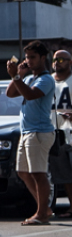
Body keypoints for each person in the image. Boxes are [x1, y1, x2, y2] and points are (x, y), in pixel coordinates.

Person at [5, 40, 57, 225]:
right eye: (27, 57)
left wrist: (17, 78)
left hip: (39, 132)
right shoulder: (27, 78)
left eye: (33, 57)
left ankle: (42, 213)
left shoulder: (46, 79)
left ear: (43, 58)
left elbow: (30, 95)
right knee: (23, 171)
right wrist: (18, 74)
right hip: (27, 131)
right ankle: (45, 208)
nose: (29, 61)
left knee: (38, 173)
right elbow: (10, 93)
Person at [50, 49, 72, 217]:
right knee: (64, 174)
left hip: (71, 131)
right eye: (56, 59)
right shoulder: (47, 81)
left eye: (62, 59)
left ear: (70, 62)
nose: (58, 62)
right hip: (55, 134)